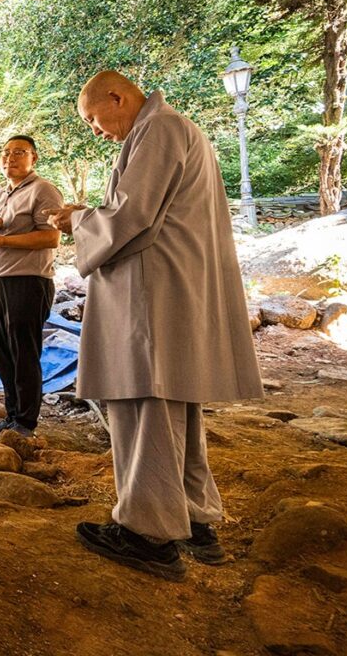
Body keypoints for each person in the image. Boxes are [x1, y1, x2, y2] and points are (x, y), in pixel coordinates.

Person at [46, 70, 262, 580]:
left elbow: (132, 216)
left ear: (117, 97)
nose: (96, 131)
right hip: (169, 290)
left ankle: (148, 533)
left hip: (152, 295)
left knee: (143, 406)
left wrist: (77, 219)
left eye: (94, 119)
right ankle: (194, 518)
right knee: (175, 409)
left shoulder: (160, 130)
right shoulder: (171, 129)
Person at [0, 135, 63, 438]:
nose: (9, 158)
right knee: (2, 352)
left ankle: (26, 423)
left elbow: (51, 237)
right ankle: (12, 416)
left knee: (23, 351)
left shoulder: (43, 190)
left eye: (18, 153)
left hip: (29, 281)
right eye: (5, 153)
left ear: (33, 158)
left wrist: (4, 240)